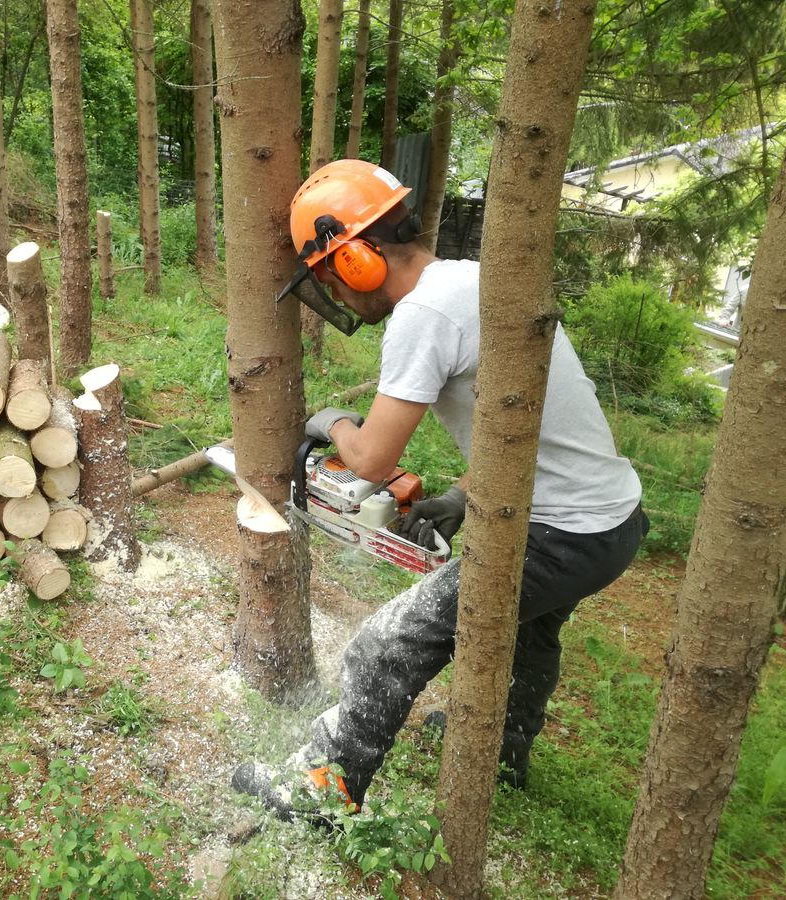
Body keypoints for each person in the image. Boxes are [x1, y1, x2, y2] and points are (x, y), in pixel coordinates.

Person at [232, 159, 649, 820]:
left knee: (388, 640)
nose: (338, 297)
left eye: (333, 279)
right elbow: (518, 418)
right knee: (530, 635)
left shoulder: (422, 314)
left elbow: (370, 460)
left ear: (357, 262)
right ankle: (501, 754)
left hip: (562, 532)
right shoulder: (473, 281)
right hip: (614, 522)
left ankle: (325, 787)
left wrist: (332, 422)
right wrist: (463, 492)